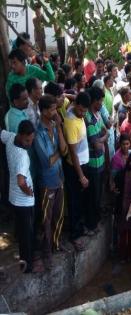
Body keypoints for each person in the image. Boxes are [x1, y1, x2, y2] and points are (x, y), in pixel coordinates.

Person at [33, 95, 67, 267]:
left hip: (59, 177)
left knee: (59, 214)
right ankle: (47, 252)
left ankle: (56, 243)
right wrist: (59, 154)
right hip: (47, 182)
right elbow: (47, 161)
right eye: (53, 109)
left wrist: (59, 127)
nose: (55, 112)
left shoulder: (54, 126)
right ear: (44, 111)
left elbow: (64, 149)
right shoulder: (38, 132)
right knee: (46, 218)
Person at [1, 121, 37, 272]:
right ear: (21, 135)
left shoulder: (10, 137)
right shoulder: (23, 155)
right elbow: (21, 181)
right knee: (26, 236)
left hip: (13, 197)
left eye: (32, 140)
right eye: (27, 140)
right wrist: (28, 191)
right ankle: (28, 267)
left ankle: (25, 262)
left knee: (22, 232)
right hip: (24, 201)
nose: (29, 143)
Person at [63, 92, 90, 251]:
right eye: (81, 110)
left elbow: (72, 97)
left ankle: (79, 228)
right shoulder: (71, 122)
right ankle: (74, 234)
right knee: (74, 201)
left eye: (85, 111)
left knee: (79, 200)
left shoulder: (74, 108)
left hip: (82, 164)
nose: (83, 114)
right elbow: (72, 153)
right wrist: (81, 176)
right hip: (75, 168)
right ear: (76, 106)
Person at [84, 87, 108, 235]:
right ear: (94, 101)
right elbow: (96, 143)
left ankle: (95, 222)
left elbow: (104, 131)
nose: (101, 104)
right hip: (93, 164)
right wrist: (103, 138)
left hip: (100, 161)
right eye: (100, 101)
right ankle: (91, 225)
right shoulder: (89, 118)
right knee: (92, 196)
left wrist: (102, 138)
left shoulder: (97, 115)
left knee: (97, 195)